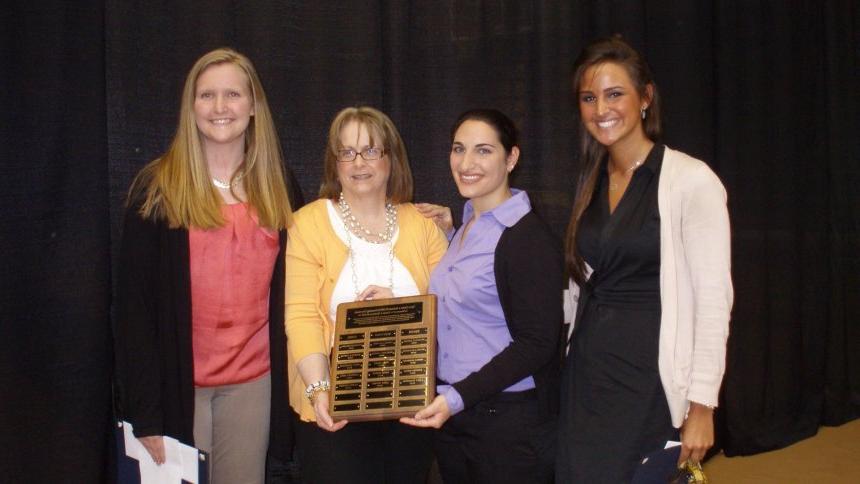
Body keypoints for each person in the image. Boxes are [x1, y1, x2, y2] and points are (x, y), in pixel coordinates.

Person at [114, 48, 298, 483]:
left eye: (232, 94)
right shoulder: (157, 190)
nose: (220, 107)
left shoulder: (280, 187)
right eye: (206, 95)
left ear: (253, 106)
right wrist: (147, 414)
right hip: (177, 387)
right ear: (190, 107)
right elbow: (133, 313)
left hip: (253, 387)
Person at [556, 36, 733, 482]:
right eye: (589, 97)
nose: (601, 109)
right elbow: (579, 287)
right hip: (588, 378)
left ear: (645, 98)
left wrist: (701, 406)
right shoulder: (590, 180)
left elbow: (714, 304)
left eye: (615, 94)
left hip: (651, 383)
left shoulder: (691, 181)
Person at [284, 106, 448, 483]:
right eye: (347, 152)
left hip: (411, 402)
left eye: (371, 150)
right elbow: (301, 316)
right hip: (334, 404)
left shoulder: (423, 225)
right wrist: (319, 389)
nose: (359, 162)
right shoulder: (307, 223)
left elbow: (450, 310)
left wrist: (400, 307)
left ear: (392, 158)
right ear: (334, 162)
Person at [402, 109, 563, 483]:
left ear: (511, 158)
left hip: (505, 424)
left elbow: (538, 344)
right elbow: (462, 310)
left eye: (483, 151)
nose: (466, 163)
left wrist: (456, 397)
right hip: (458, 419)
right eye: (459, 149)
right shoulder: (465, 227)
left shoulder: (528, 239)